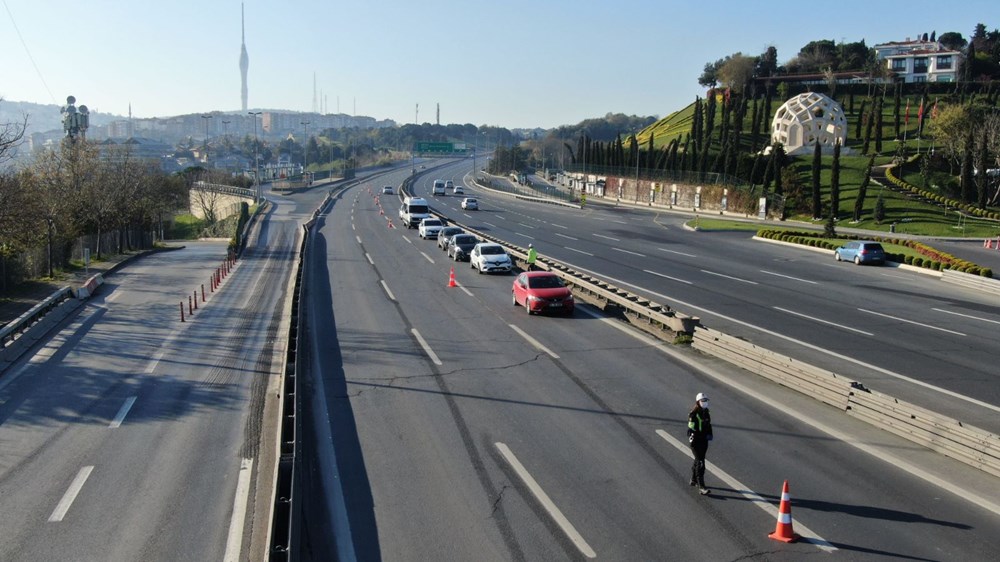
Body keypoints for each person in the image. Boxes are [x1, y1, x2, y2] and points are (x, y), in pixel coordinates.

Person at [687, 392, 713, 495]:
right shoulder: (693, 414)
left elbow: (708, 424)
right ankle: (701, 486)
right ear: (698, 402)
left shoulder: (706, 412)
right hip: (696, 442)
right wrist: (699, 436)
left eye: (706, 400)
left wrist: (710, 434)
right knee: (701, 463)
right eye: (703, 401)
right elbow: (691, 429)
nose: (705, 402)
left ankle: (693, 480)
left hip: (704, 441)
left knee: (698, 460)